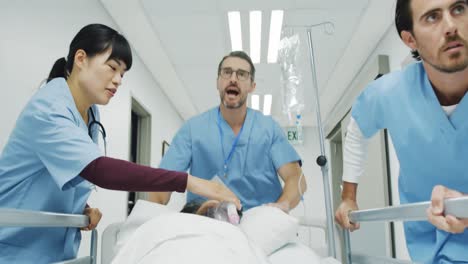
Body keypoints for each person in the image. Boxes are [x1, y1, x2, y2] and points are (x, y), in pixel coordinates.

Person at [0, 23, 240, 264]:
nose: (118, 80)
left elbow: (65, 171)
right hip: (13, 247)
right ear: (81, 58)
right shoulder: (49, 108)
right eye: (112, 68)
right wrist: (191, 182)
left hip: (53, 251)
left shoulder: (90, 112)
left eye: (122, 74)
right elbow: (98, 170)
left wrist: (80, 209)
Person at [334, 0, 468, 262]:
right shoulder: (390, 93)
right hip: (431, 245)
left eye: (458, 9)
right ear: (410, 40)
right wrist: (348, 197)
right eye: (432, 17)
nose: (450, 26)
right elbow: (357, 132)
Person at [149, 51, 306, 211]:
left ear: (252, 86)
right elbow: (163, 183)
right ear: (217, 82)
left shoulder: (269, 129)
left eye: (242, 74)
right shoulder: (193, 129)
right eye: (227, 72)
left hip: (261, 224)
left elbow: (296, 178)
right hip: (208, 224)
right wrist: (153, 221)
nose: (233, 78)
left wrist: (282, 205)